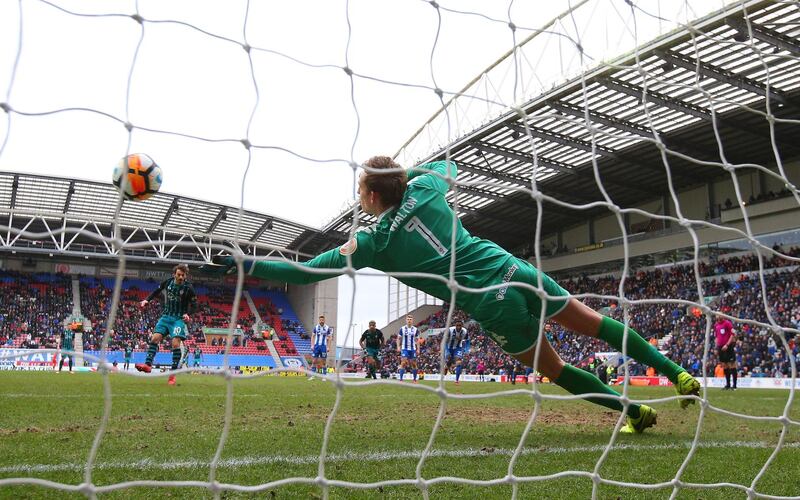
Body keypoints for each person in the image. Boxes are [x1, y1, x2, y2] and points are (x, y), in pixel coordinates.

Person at [205, 157, 700, 434]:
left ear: (373, 199)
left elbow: (306, 272)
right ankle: (677, 373)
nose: (360, 200)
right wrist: (405, 176)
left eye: (362, 193)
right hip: (512, 267)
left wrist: (248, 264)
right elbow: (446, 167)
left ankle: (634, 412)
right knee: (592, 321)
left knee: (553, 369)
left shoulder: (372, 242)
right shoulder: (425, 187)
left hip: (489, 302)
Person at [135, 264, 197, 386]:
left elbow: (195, 305)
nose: (180, 277)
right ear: (174, 274)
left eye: (182, 275)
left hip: (178, 319)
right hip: (166, 317)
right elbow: (156, 291)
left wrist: (188, 314)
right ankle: (148, 365)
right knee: (154, 338)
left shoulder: (188, 288)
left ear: (185, 276)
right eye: (178, 274)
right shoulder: (167, 282)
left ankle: (172, 375)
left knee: (175, 343)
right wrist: (147, 300)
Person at [714, 316, 737, 390]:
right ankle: (728, 385)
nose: (718, 318)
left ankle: (734, 386)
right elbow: (717, 336)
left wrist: (727, 345)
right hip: (720, 347)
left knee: (732, 364)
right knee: (725, 365)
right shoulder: (716, 325)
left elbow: (732, 334)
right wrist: (716, 347)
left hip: (728, 346)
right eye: (717, 317)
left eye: (719, 316)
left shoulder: (727, 323)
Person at [443, 319, 468, 385]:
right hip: (449, 347)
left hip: (458, 348)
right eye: (457, 325)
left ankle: (456, 380)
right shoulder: (450, 330)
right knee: (449, 362)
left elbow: (467, 340)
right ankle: (446, 367)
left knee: (459, 362)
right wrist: (447, 351)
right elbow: (445, 342)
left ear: (462, 325)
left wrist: (466, 349)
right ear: (455, 325)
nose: (458, 327)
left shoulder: (464, 331)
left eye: (460, 325)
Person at [397, 314, 419, 383]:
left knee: (414, 364)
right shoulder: (402, 328)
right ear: (406, 321)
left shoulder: (415, 329)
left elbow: (417, 340)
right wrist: (398, 346)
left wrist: (418, 349)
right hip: (405, 348)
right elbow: (398, 338)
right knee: (403, 362)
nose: (409, 320)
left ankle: (414, 380)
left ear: (412, 321)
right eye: (408, 319)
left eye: (410, 319)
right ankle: (401, 379)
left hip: (413, 349)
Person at [310, 315, 332, 380]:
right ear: (319, 320)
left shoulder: (327, 328)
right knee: (314, 361)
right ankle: (313, 376)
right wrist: (312, 345)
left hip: (323, 347)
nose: (321, 321)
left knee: (324, 361)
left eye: (322, 320)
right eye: (320, 320)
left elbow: (330, 338)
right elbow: (313, 336)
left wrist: (328, 347)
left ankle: (324, 377)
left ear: (324, 320)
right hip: (316, 346)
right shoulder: (316, 327)